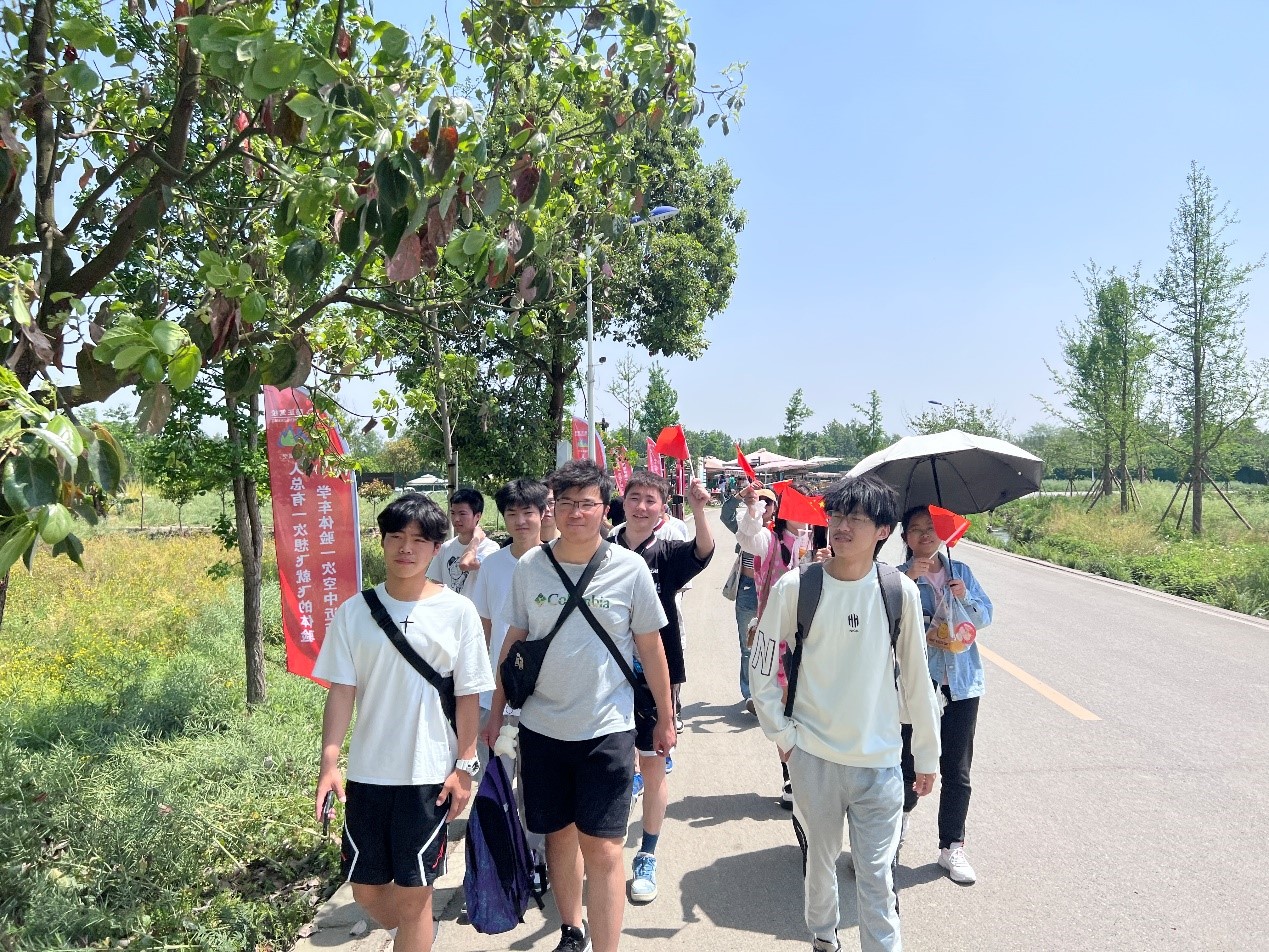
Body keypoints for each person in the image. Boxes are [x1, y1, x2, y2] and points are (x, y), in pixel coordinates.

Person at [481, 460, 676, 952]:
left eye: (586, 503)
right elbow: (514, 641)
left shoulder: (629, 569)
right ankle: (572, 930)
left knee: (605, 850)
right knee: (559, 838)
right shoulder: (530, 567)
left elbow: (650, 646)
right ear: (553, 508)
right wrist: (497, 710)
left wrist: (666, 719)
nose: (574, 513)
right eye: (564, 502)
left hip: (607, 728)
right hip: (542, 726)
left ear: (604, 508)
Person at [750, 475, 941, 952]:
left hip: (880, 762)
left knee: (877, 877)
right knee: (820, 861)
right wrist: (783, 735)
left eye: (856, 518)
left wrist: (926, 755)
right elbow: (762, 663)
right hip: (813, 756)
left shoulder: (899, 591)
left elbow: (916, 679)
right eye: (836, 516)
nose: (841, 527)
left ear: (883, 531)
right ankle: (823, 936)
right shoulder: (798, 587)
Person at [313, 493, 494, 952]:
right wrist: (329, 762)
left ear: (436, 547)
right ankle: (418, 933)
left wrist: (465, 767)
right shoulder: (355, 612)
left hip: (428, 774)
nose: (406, 548)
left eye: (419, 540)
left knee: (415, 896)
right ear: (382, 541)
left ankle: (416, 932)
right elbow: (341, 692)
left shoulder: (458, 612)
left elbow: (468, 695)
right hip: (369, 773)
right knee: (365, 888)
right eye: (396, 537)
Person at [609, 470, 715, 904]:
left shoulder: (666, 553)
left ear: (662, 509)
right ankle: (605, 849)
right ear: (623, 501)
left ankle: (647, 855)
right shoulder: (601, 548)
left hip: (653, 679)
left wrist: (699, 510)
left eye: (651, 500)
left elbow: (703, 551)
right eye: (635, 497)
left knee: (652, 767)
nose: (641, 507)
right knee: (610, 768)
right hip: (604, 677)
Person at [897, 505, 994, 885]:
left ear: (943, 534)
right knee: (907, 762)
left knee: (957, 769)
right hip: (918, 683)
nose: (925, 535)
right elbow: (885, 623)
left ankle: (951, 845)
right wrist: (908, 580)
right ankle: (896, 826)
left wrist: (964, 596)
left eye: (931, 528)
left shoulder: (961, 572)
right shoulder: (897, 576)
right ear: (905, 536)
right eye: (916, 529)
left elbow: (984, 617)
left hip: (962, 683)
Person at [468, 478, 552, 888]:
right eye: (512, 513)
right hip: (495, 696)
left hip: (543, 696)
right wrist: (474, 691)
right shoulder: (492, 566)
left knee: (535, 788)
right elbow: (482, 628)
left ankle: (536, 859)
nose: (520, 521)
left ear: (542, 514)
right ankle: (503, 865)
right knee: (498, 783)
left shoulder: (556, 562)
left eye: (528, 512)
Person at [736, 480, 822, 808]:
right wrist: (752, 508)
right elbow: (747, 536)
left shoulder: (825, 543)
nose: (804, 512)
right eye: (797, 503)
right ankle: (791, 777)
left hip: (816, 640)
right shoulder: (770, 541)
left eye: (809, 505)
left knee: (812, 711)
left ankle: (810, 774)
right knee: (785, 710)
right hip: (779, 642)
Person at [428, 488, 500, 596]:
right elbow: (435, 584)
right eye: (453, 513)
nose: (456, 519)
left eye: (462, 514)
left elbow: (466, 564)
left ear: (477, 516)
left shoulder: (491, 548)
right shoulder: (445, 548)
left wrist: (475, 540)